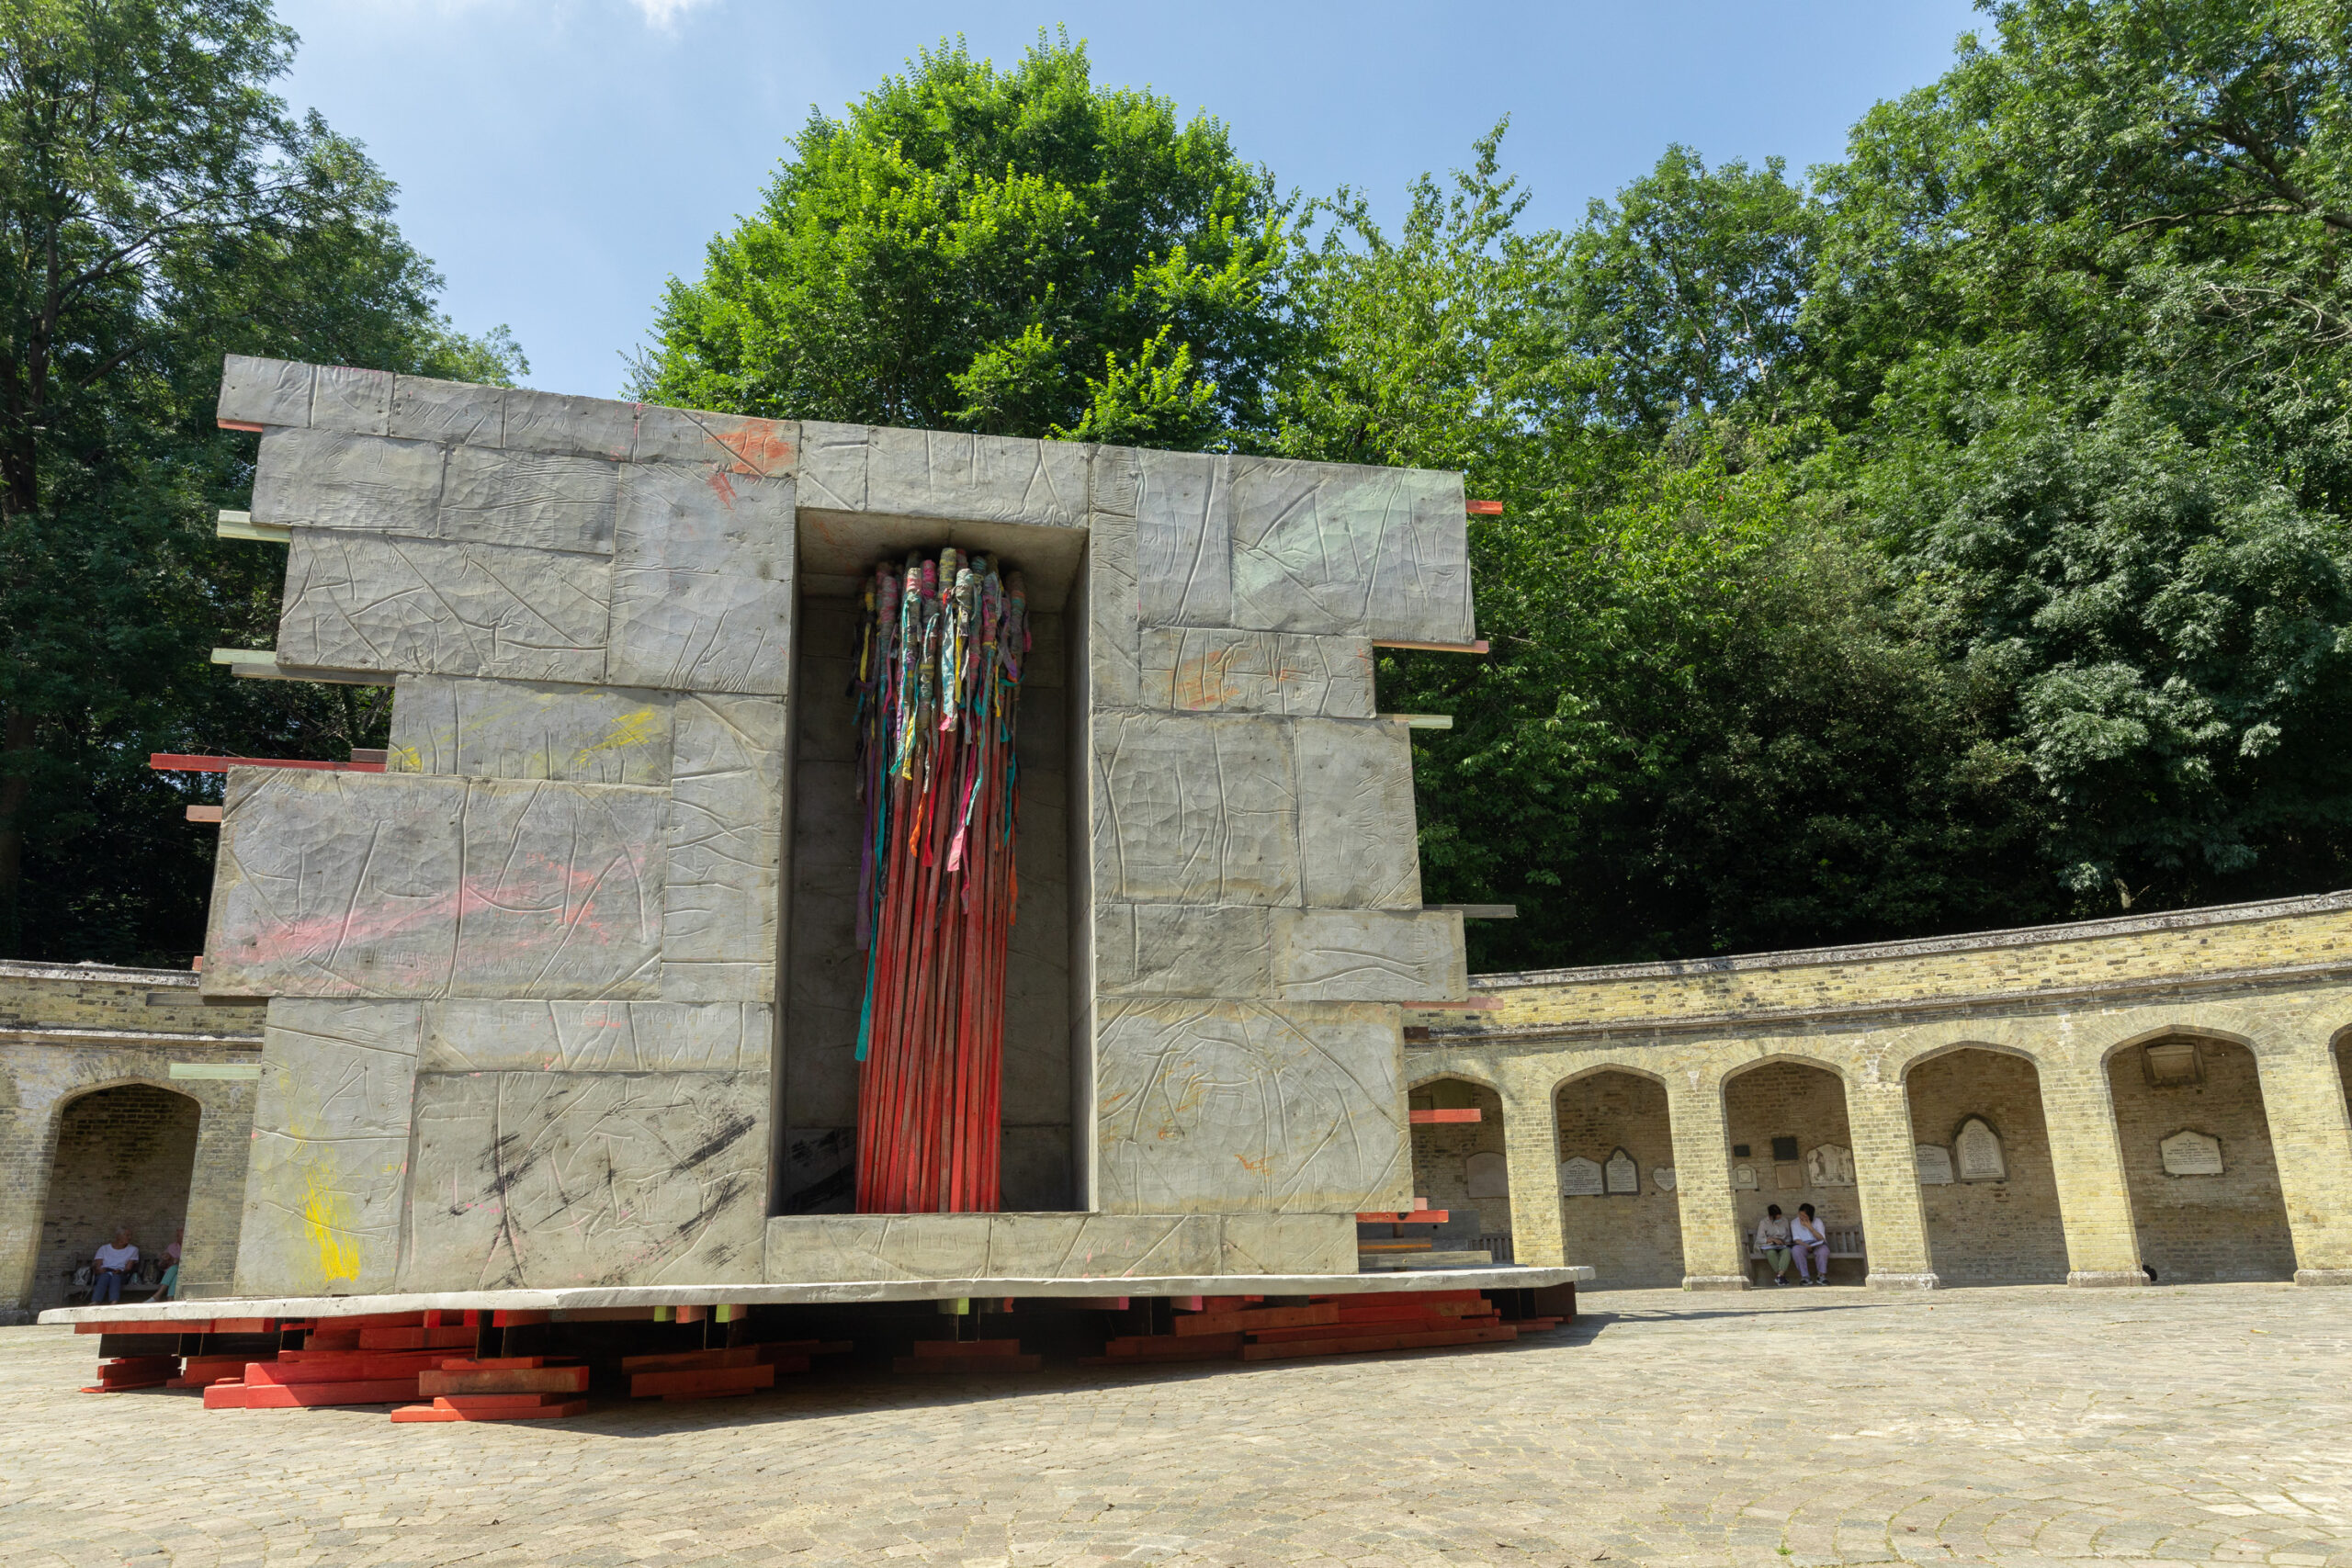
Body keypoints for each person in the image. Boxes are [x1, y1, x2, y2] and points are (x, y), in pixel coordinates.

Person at [89, 1229, 139, 1305]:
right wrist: (100, 1270)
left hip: (121, 1274)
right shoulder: (104, 1248)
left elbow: (128, 1268)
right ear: (118, 1236)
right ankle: (95, 1301)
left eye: (130, 1235)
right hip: (104, 1273)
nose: (130, 1237)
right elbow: (98, 1267)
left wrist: (121, 1272)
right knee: (105, 1276)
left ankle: (114, 1302)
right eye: (127, 1235)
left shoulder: (133, 1249)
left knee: (116, 1277)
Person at [1754, 1204, 1793, 1285]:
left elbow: (1788, 1236)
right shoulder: (1764, 1222)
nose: (1779, 1219)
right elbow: (1759, 1240)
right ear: (1771, 1216)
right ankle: (1781, 1277)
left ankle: (1779, 1276)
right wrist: (1771, 1239)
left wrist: (1785, 1241)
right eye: (1777, 1218)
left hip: (1782, 1246)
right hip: (1769, 1246)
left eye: (1780, 1217)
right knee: (1771, 1253)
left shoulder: (1784, 1221)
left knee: (1787, 1252)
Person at [1792, 1203, 1830, 1284]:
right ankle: (1805, 1277)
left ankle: (1821, 1276)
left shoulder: (1818, 1221)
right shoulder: (1794, 1222)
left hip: (1818, 1243)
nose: (1801, 1217)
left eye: (1804, 1215)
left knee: (1823, 1251)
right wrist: (1806, 1245)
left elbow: (1821, 1238)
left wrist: (1810, 1227)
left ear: (1810, 1216)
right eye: (1800, 1214)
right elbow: (1796, 1240)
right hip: (1803, 1244)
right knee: (1795, 1250)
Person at [147, 1228, 183, 1303]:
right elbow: (162, 1265)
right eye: (177, 1236)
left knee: (175, 1269)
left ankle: (157, 1295)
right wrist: (164, 1259)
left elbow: (184, 1262)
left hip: (184, 1272)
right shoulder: (171, 1247)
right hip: (171, 1274)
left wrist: (174, 1259)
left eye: (179, 1236)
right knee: (176, 1275)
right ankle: (170, 1299)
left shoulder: (190, 1247)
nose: (178, 1238)